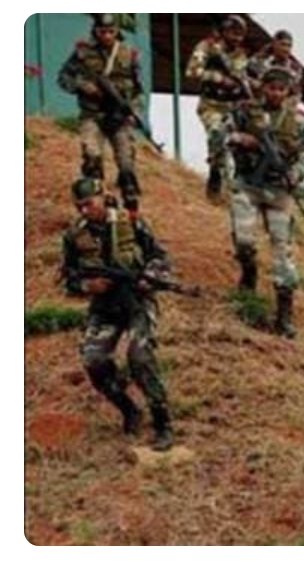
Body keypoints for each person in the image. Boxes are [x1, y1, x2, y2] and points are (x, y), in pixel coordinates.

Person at [61, 177, 174, 451]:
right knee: (93, 361)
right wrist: (88, 286)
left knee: (140, 356)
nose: (85, 210)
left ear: (103, 196)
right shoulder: (75, 236)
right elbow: (69, 278)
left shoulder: (131, 222)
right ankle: (129, 409)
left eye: (89, 203)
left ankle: (162, 422)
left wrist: (149, 277)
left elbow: (160, 257)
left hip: (137, 301)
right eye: (79, 206)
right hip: (105, 307)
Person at [225, 66, 304, 339]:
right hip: (248, 185)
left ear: (288, 92)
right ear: (263, 87)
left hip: (279, 192)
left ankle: (284, 314)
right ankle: (248, 274)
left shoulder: (298, 121)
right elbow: (222, 136)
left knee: (282, 252)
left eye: (281, 89)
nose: (276, 93)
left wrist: (295, 174)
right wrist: (241, 139)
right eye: (272, 88)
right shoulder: (244, 111)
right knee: (244, 241)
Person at [57, 13, 145, 212]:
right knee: (92, 158)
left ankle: (132, 209)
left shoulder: (128, 54)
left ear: (117, 31)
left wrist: (134, 112)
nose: (106, 36)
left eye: (111, 31)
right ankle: (98, 207)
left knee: (126, 164)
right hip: (92, 115)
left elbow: (138, 90)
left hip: (119, 117)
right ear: (95, 31)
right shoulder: (82, 52)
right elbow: (64, 78)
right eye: (102, 31)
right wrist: (83, 86)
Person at [186, 14, 252, 199]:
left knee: (238, 147)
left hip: (234, 107)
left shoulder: (240, 55)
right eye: (233, 33)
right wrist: (218, 78)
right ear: (223, 31)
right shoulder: (207, 47)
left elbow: (242, 78)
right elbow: (192, 71)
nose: (236, 38)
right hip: (211, 106)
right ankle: (215, 173)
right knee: (217, 134)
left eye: (240, 34)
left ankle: (234, 186)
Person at [247, 29, 303, 103]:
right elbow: (246, 77)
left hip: (282, 102)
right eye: (283, 44)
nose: (286, 49)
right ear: (274, 44)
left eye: (289, 46)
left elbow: (295, 90)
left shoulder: (295, 67)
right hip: (258, 98)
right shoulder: (259, 60)